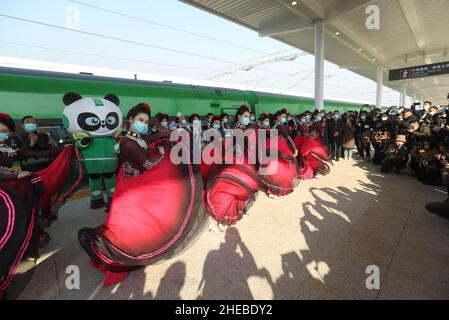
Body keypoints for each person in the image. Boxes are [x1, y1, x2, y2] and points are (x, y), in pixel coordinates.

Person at [78, 103, 205, 286]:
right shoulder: (127, 142)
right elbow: (149, 164)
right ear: (130, 120)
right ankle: (125, 252)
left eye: (145, 121)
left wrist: (170, 133)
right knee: (133, 226)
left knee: (143, 222)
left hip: (139, 183)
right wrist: (164, 154)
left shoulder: (138, 137)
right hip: (132, 188)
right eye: (140, 120)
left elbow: (150, 137)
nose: (143, 124)